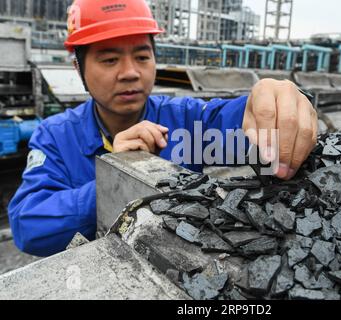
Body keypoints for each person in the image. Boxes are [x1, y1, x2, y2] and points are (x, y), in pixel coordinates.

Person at [8, 0, 318, 257]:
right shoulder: (57, 136)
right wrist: (116, 179)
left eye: (142, 56)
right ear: (78, 67)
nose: (130, 72)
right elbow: (28, 227)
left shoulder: (182, 120)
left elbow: (238, 124)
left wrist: (275, 102)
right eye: (110, 59)